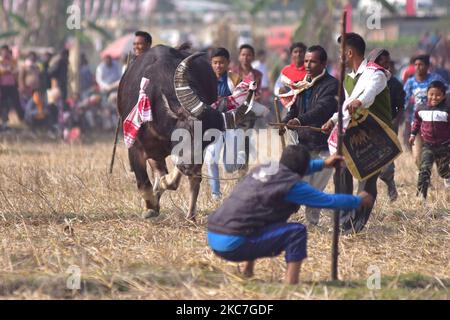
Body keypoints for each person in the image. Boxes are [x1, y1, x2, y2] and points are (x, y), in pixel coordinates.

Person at [207, 144, 373, 284]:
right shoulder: (293, 186)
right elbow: (328, 201)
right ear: (302, 171)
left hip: (215, 236)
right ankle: (291, 285)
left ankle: (247, 271)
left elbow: (295, 168)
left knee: (258, 216)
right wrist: (358, 201)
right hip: (233, 245)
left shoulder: (266, 168)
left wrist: (323, 164)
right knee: (296, 232)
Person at [322, 33, 391, 232]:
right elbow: (346, 104)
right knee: (341, 168)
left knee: (367, 178)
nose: (339, 55)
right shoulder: (348, 79)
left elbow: (369, 91)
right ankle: (345, 219)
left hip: (377, 135)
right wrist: (333, 120)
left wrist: (360, 102)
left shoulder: (375, 73)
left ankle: (356, 225)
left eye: (340, 51)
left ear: (349, 52)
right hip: (355, 132)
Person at [280, 45, 338, 225]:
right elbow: (294, 109)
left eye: (312, 61)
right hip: (303, 143)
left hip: (324, 145)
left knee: (316, 187)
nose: (307, 64)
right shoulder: (302, 85)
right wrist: (287, 121)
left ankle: (312, 224)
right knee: (297, 183)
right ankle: (282, 217)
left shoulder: (332, 85)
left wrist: (299, 120)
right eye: (306, 61)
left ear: (323, 63)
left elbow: (323, 108)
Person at [367, 49, 405, 202]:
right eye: (381, 62)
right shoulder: (366, 81)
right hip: (368, 126)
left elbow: (400, 106)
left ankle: (390, 183)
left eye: (387, 63)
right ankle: (368, 197)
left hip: (387, 126)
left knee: (386, 163)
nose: (385, 66)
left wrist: (395, 122)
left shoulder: (394, 83)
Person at [205, 47, 241, 201]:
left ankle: (241, 162)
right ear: (211, 63)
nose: (218, 66)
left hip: (231, 126)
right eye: (215, 63)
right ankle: (215, 194)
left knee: (229, 166)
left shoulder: (235, 79)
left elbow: (241, 101)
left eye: (221, 63)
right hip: (214, 126)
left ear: (228, 63)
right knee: (211, 158)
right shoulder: (205, 80)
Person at [403, 54, 448, 168]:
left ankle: (445, 175)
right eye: (416, 65)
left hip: (436, 122)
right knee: (417, 156)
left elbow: (447, 91)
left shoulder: (435, 79)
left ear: (427, 66)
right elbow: (404, 100)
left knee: (439, 154)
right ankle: (424, 178)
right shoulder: (410, 82)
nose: (418, 67)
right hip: (418, 122)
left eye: (421, 65)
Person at [409, 81, 450, 197]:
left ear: (443, 96)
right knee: (424, 170)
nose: (434, 97)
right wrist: (412, 134)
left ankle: (447, 176)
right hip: (428, 145)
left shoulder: (446, 110)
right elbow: (417, 122)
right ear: (427, 94)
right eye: (431, 94)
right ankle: (421, 196)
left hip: (444, 146)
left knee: (443, 171)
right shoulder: (421, 109)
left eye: (438, 95)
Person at [0, 45, 22, 130]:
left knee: (16, 103)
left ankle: (22, 120)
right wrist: (6, 70)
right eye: (3, 51)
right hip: (2, 86)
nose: (5, 53)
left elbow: (15, 70)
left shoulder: (12, 61)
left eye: (6, 51)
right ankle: (3, 123)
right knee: (3, 104)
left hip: (12, 86)